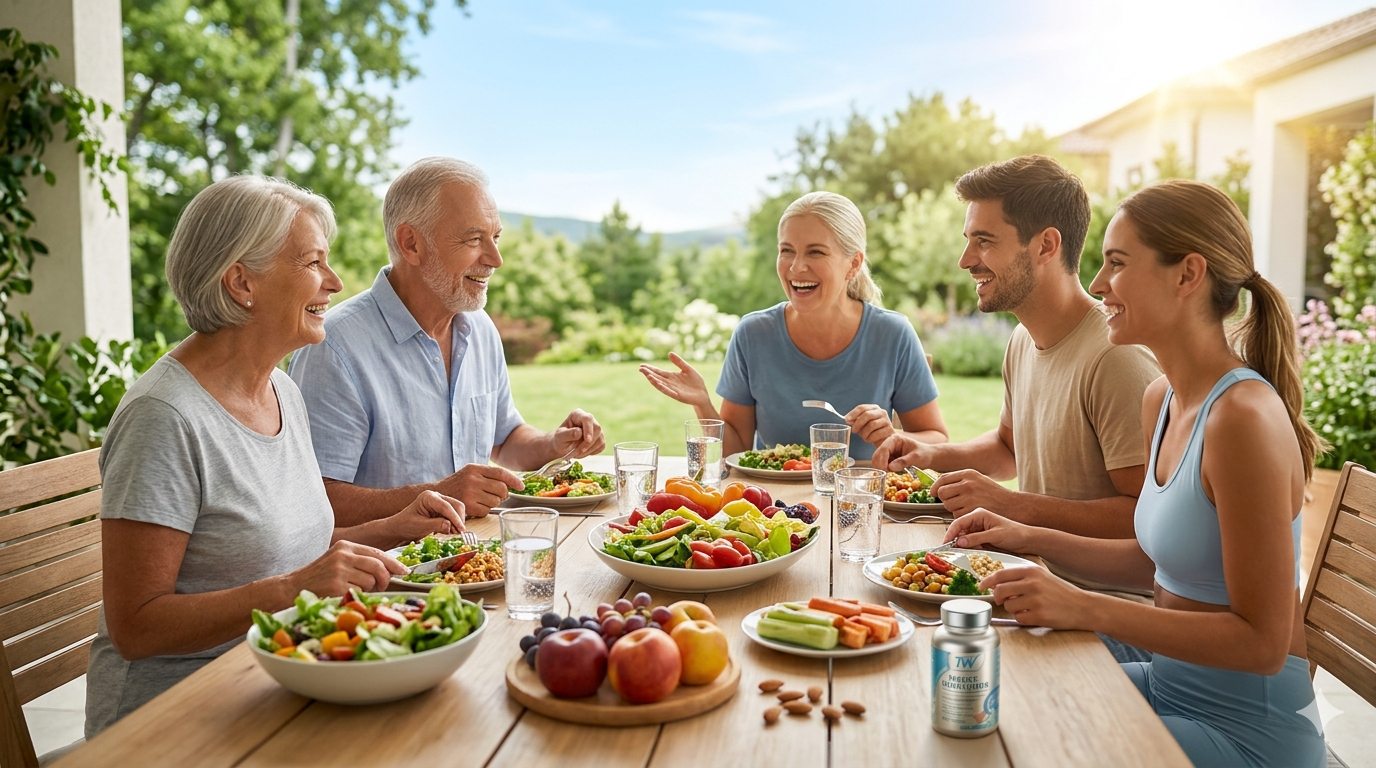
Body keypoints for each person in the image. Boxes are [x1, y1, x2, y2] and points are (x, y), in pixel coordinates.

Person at [947, 179, 1326, 768]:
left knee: (1020, 750)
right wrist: (1023, 537)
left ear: (1187, 275)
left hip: (1246, 733)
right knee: (984, 707)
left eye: (1117, 264)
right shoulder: (1163, 399)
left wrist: (1083, 606)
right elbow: (1161, 560)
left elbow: (1263, 644)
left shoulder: (1243, 420)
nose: (1098, 285)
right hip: (1169, 689)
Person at [88, 176, 465, 737]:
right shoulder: (163, 418)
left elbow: (285, 550)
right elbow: (136, 626)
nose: (335, 283)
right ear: (242, 281)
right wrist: (293, 591)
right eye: (313, 263)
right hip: (175, 721)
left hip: (280, 682)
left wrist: (390, 529)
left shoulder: (281, 390)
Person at [288, 158, 605, 524]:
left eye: (496, 237)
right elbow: (315, 500)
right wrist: (437, 494)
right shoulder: (334, 347)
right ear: (412, 244)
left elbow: (503, 440)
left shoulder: (479, 328)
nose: (496, 259)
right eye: (474, 239)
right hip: (386, 576)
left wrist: (553, 443)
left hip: (475, 562)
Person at [874, 156, 1160, 539]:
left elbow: (1145, 518)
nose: (965, 261)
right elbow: (1008, 450)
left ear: (1045, 246)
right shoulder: (1023, 340)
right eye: (968, 242)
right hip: (1029, 570)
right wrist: (928, 454)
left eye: (984, 241)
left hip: (1089, 593)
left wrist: (1009, 504)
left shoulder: (1115, 357)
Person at [639, 191, 946, 462]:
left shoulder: (892, 335)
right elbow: (736, 450)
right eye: (787, 250)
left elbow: (937, 439)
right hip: (773, 511)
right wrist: (702, 403)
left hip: (859, 501)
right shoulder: (753, 334)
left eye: (816, 252)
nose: (796, 267)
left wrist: (893, 436)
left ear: (853, 264)